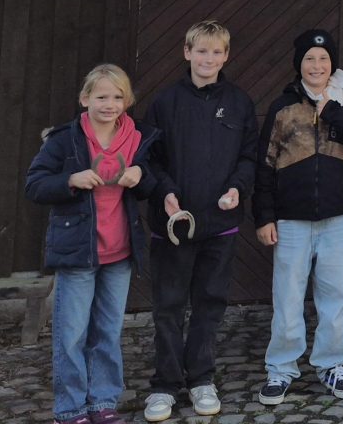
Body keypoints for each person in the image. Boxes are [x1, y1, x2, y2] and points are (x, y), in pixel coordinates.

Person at [25, 64, 160, 424]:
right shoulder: (64, 139)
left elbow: (151, 185)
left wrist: (141, 174)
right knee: (71, 334)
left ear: (127, 101)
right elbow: (34, 184)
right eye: (101, 96)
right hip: (78, 252)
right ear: (85, 99)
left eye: (117, 97)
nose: (109, 104)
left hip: (120, 252)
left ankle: (103, 402)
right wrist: (70, 179)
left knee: (108, 332)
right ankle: (70, 409)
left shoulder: (138, 137)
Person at [253, 28, 343, 406]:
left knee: (333, 296)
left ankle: (332, 364)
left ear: (332, 65)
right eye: (309, 58)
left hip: (336, 219)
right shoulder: (282, 107)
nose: (317, 65)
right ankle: (281, 368)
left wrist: (334, 111)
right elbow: (264, 165)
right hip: (291, 220)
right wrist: (264, 217)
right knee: (287, 298)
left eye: (324, 59)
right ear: (299, 64)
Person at [141, 21, 259, 421]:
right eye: (201, 50)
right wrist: (165, 191)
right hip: (173, 225)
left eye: (216, 52)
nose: (208, 58)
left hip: (220, 224)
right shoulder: (165, 102)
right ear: (187, 52)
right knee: (168, 307)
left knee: (210, 304)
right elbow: (149, 159)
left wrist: (238, 187)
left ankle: (201, 379)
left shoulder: (240, 103)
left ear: (226, 56)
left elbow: (249, 157)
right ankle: (165, 385)